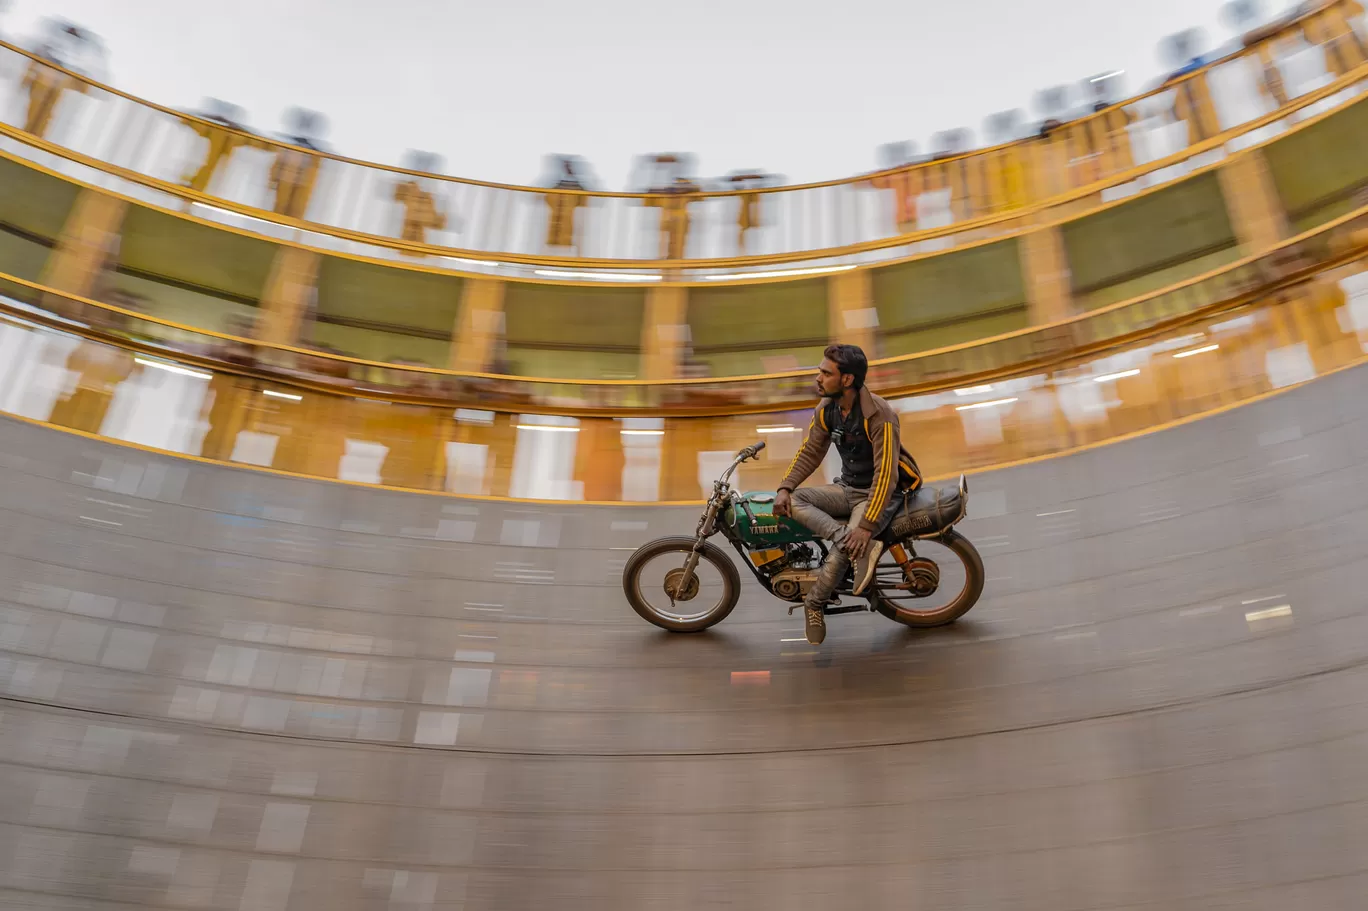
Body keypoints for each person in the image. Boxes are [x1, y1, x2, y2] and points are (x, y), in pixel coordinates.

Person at [773, 344, 922, 645]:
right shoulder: (827, 410)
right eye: (820, 371)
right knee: (797, 501)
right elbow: (811, 451)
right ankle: (845, 539)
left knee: (847, 547)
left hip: (879, 494)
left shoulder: (880, 415)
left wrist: (866, 526)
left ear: (847, 380)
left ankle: (814, 604)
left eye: (825, 373)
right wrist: (785, 487)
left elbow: (887, 476)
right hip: (848, 487)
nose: (817, 378)